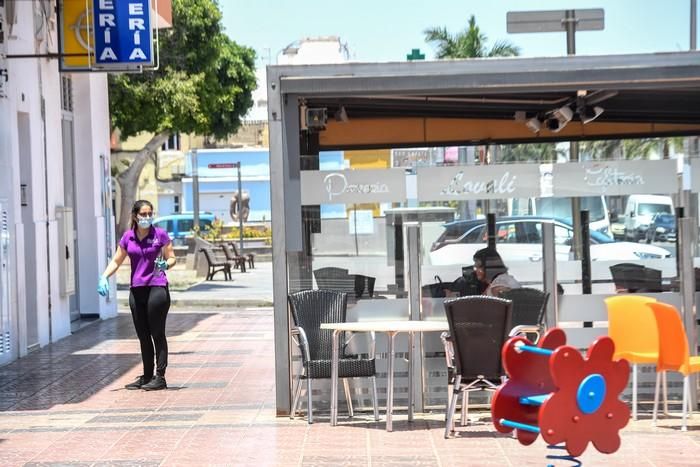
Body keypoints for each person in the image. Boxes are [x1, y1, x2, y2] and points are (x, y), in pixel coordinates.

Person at [97, 200, 176, 391]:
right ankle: (147, 375)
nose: (147, 217)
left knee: (157, 333)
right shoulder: (128, 238)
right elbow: (117, 260)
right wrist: (104, 276)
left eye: (150, 214)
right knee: (143, 335)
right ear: (135, 216)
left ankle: (160, 376)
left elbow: (171, 257)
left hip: (157, 288)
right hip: (137, 290)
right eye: (144, 214)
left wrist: (167, 264)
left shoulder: (160, 235)